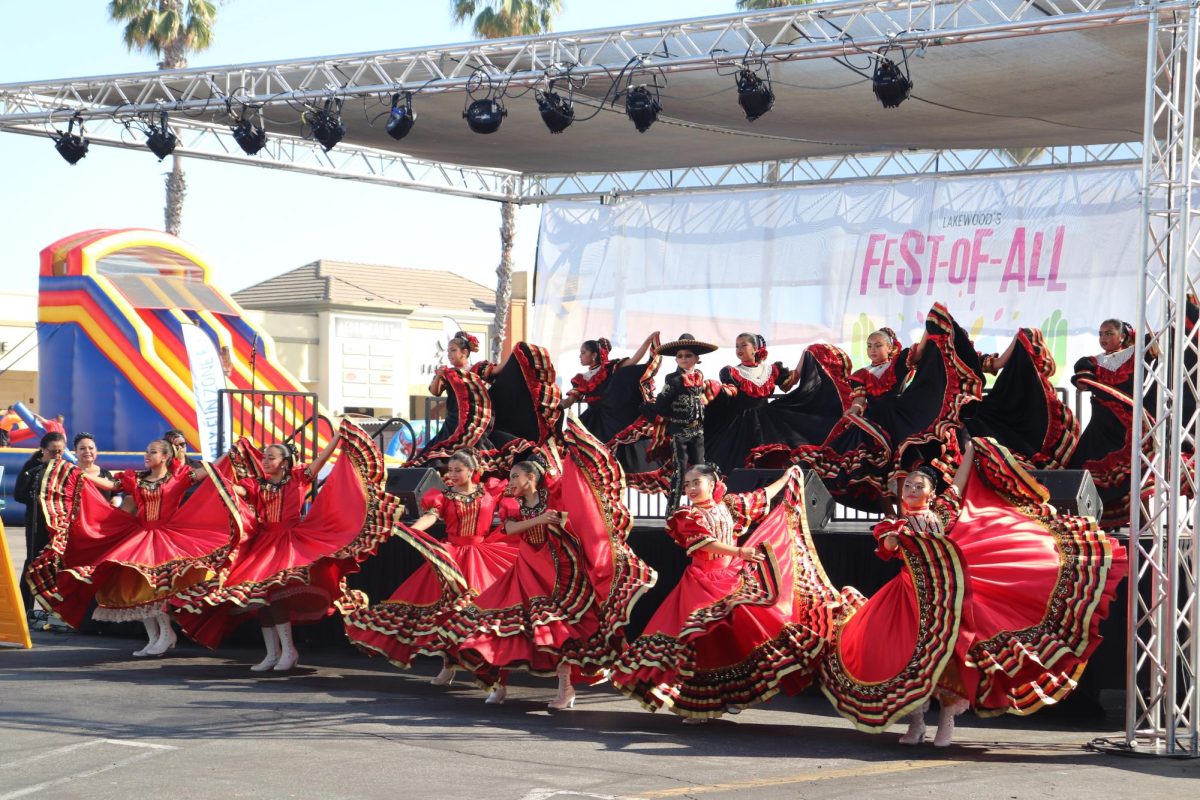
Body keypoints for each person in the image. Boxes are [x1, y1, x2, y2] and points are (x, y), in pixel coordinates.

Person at [819, 438, 1127, 746]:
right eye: (907, 486)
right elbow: (886, 546)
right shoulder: (893, 525)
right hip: (907, 599)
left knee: (952, 662)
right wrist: (899, 537)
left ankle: (946, 720)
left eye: (918, 486)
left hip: (947, 599)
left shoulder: (944, 511)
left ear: (931, 492)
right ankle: (916, 724)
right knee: (902, 657)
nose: (911, 490)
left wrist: (973, 448)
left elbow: (961, 482)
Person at [609, 463, 834, 722]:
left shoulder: (730, 505)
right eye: (687, 485)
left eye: (697, 483)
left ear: (713, 483)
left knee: (739, 633)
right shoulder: (687, 515)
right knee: (700, 642)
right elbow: (704, 544)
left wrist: (787, 477)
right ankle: (699, 706)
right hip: (702, 583)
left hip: (730, 576)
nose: (691, 489)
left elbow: (763, 495)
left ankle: (735, 695)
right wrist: (739, 552)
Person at [174, 421, 401, 671]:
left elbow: (321, 460)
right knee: (261, 600)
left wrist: (337, 438)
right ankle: (272, 653)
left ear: (284, 461)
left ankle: (288, 650)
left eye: (271, 457)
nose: (266, 461)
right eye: (264, 458)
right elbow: (239, 490)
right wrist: (223, 480)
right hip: (264, 544)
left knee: (275, 598)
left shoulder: (298, 478)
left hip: (289, 543)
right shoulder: (257, 484)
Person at [26, 439, 242, 657]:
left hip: (167, 538)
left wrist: (231, 453)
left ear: (165, 456)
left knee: (156, 589)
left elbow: (212, 471)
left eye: (153, 452)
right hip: (140, 537)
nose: (147, 455)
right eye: (146, 451)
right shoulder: (136, 479)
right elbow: (110, 485)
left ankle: (166, 634)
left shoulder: (180, 477)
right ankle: (154, 637)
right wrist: (76, 473)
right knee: (138, 589)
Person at [341, 447, 518, 683]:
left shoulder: (491, 492)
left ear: (472, 470)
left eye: (458, 470)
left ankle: (490, 672)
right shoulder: (443, 496)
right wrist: (412, 531)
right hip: (452, 558)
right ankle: (448, 665)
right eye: (450, 470)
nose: (453, 474)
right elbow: (431, 516)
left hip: (483, 556)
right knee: (446, 615)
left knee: (483, 616)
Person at [442, 455, 598, 707]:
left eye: (515, 476)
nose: (510, 481)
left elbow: (575, 510)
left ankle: (565, 689)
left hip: (554, 569)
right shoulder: (512, 504)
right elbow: (510, 529)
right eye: (510, 476)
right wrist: (540, 519)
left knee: (557, 629)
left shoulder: (554, 496)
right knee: (500, 625)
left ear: (531, 478)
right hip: (525, 568)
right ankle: (499, 686)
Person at [410, 332, 561, 477]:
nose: (449, 354)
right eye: (448, 351)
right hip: (454, 422)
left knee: (485, 452)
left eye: (453, 350)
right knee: (441, 453)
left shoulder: (477, 369)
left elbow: (498, 370)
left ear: (464, 352)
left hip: (480, 423)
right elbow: (435, 391)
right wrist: (439, 375)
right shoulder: (449, 372)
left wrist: (515, 355)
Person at [1066, 318, 1148, 528]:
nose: (1103, 338)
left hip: (1128, 426)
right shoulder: (1093, 361)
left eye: (1109, 333)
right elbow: (1082, 382)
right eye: (1101, 334)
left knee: (1137, 473)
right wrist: (1091, 384)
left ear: (1123, 336)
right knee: (1080, 466)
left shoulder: (1137, 354)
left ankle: (1142, 528)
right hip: (1102, 424)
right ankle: (1089, 519)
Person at [641, 334, 720, 512]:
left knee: (701, 470)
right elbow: (661, 405)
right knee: (680, 471)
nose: (683, 359)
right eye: (680, 356)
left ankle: (703, 508)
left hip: (698, 432)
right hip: (679, 433)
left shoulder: (700, 377)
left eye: (688, 355)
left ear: (697, 358)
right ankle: (673, 511)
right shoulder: (673, 379)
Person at [560, 333, 661, 472]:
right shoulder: (581, 379)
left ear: (594, 354)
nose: (580, 356)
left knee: (618, 447)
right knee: (579, 449)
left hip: (613, 415)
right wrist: (554, 404)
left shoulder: (610, 368)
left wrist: (648, 341)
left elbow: (634, 361)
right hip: (593, 419)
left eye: (583, 352)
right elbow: (569, 400)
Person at [15, 431, 66, 620]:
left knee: (56, 565)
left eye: (61, 451)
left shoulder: (64, 468)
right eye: (53, 451)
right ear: (43, 450)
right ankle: (25, 607)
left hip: (58, 525)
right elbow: (18, 494)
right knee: (32, 563)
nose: (57, 455)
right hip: (37, 523)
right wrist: (37, 499)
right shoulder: (32, 467)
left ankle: (54, 609)